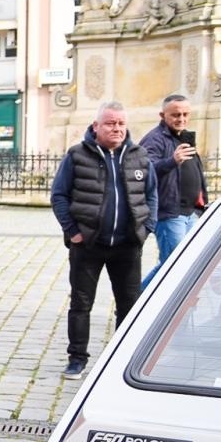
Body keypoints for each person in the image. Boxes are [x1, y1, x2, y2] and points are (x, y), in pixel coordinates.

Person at [50, 102, 158, 378]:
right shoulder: (77, 155)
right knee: (81, 303)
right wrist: (73, 231)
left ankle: (123, 358)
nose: (117, 128)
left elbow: (151, 195)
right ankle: (77, 359)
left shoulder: (139, 156)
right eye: (110, 123)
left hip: (127, 245)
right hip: (88, 245)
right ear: (96, 126)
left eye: (121, 123)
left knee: (128, 303)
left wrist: (147, 229)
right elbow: (59, 195)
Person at [139, 94, 206, 287]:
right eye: (176, 115)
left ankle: (137, 302)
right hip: (169, 213)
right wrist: (172, 161)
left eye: (185, 114)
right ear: (163, 115)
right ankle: (136, 303)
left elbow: (195, 172)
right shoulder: (154, 139)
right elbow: (144, 169)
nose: (181, 119)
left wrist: (202, 203)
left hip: (190, 211)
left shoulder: (183, 137)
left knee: (180, 263)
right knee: (173, 265)